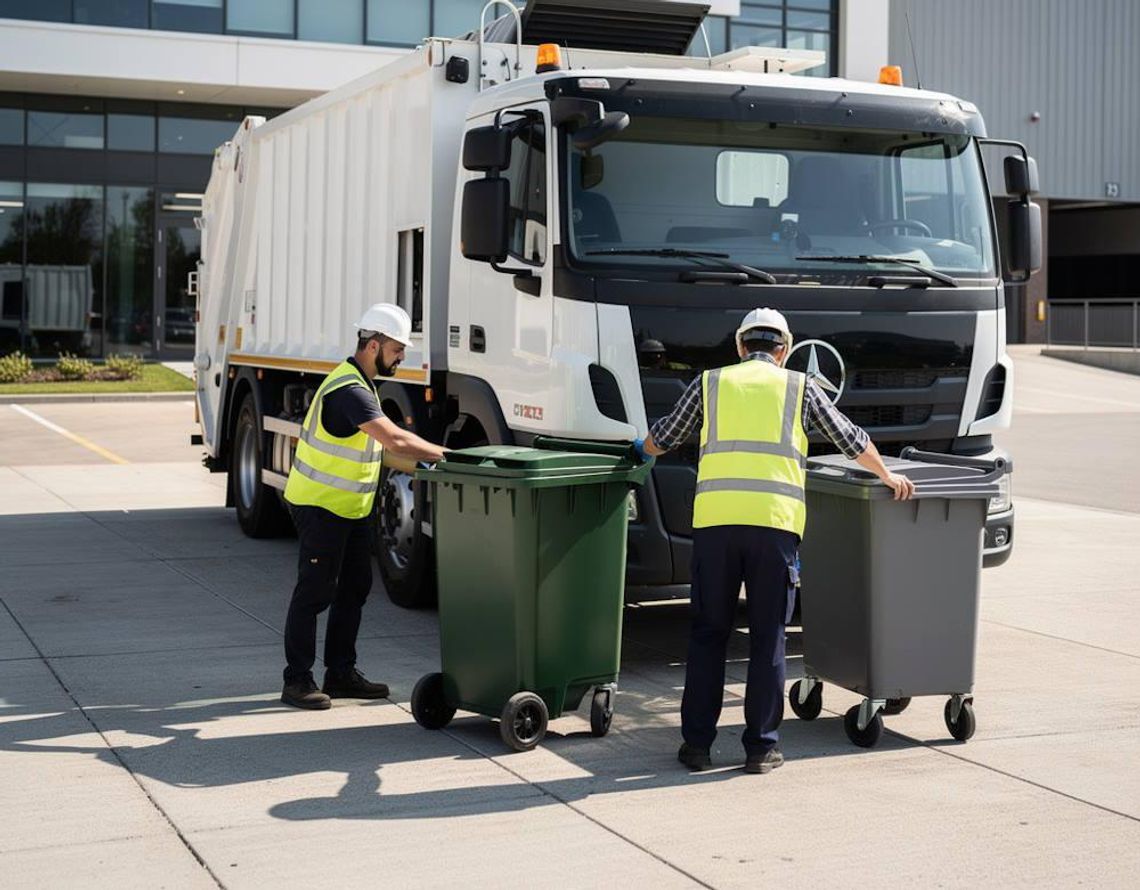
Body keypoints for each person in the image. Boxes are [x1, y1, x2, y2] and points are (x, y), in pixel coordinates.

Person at [634, 308, 915, 773]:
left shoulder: (711, 383)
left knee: (707, 634)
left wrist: (637, 451)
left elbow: (664, 437)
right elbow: (850, 439)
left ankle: (697, 747)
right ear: (783, 351)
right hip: (774, 529)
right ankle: (761, 748)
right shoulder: (800, 387)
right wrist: (887, 474)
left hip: (716, 528)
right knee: (769, 639)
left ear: (741, 346)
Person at [280, 303, 447, 710]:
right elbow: (394, 439)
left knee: (354, 588)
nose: (402, 356)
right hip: (319, 506)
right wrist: (449, 455)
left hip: (350, 509)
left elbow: (379, 453)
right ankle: (297, 680)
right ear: (373, 345)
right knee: (315, 591)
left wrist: (425, 467)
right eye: (397, 349)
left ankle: (340, 673)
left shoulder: (362, 384)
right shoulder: (349, 390)